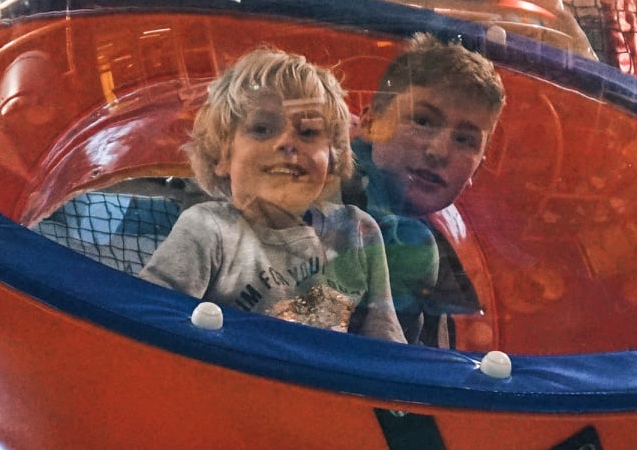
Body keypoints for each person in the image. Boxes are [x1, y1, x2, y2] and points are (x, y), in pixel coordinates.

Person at [140, 47, 404, 342]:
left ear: (332, 160)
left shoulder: (358, 231)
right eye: (262, 129)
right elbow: (148, 319)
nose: (287, 142)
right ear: (222, 157)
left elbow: (385, 335)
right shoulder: (209, 229)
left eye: (307, 133)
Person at [346, 33, 506, 347]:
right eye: (422, 121)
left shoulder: (416, 228)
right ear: (370, 123)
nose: (439, 151)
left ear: (478, 168)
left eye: (464, 140)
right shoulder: (329, 201)